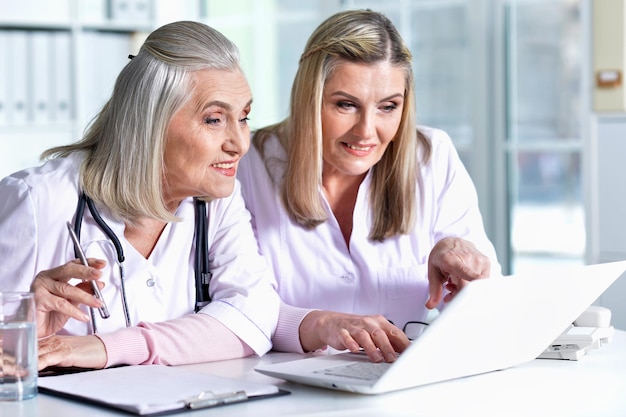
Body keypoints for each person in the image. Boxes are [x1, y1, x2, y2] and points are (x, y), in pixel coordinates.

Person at [0, 21, 280, 370]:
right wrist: (21, 334)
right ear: (150, 120)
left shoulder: (218, 199)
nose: (239, 143)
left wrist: (106, 347)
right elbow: (7, 358)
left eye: (243, 117)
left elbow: (255, 315)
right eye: (213, 119)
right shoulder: (37, 200)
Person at [238, 9, 501, 363]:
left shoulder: (432, 157)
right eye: (346, 105)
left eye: (387, 107)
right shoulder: (247, 165)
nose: (366, 131)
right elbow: (234, 309)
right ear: (309, 98)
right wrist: (317, 324)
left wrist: (466, 270)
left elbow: (487, 302)